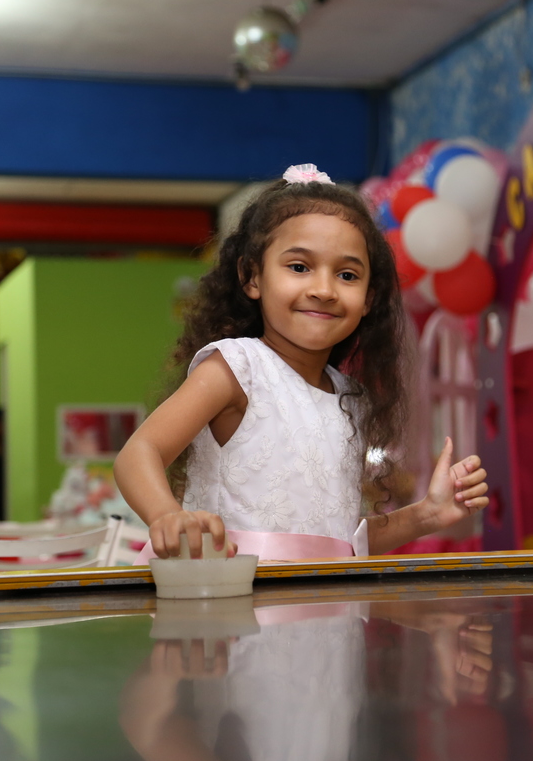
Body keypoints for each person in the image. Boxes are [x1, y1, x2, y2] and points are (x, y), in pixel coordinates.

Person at [115, 163, 489, 561]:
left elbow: (337, 543)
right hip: (230, 594)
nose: (324, 289)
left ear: (368, 299)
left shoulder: (350, 398)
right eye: (299, 267)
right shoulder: (237, 368)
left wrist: (427, 514)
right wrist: (167, 516)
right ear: (252, 277)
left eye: (347, 275)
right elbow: (140, 452)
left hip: (320, 599)